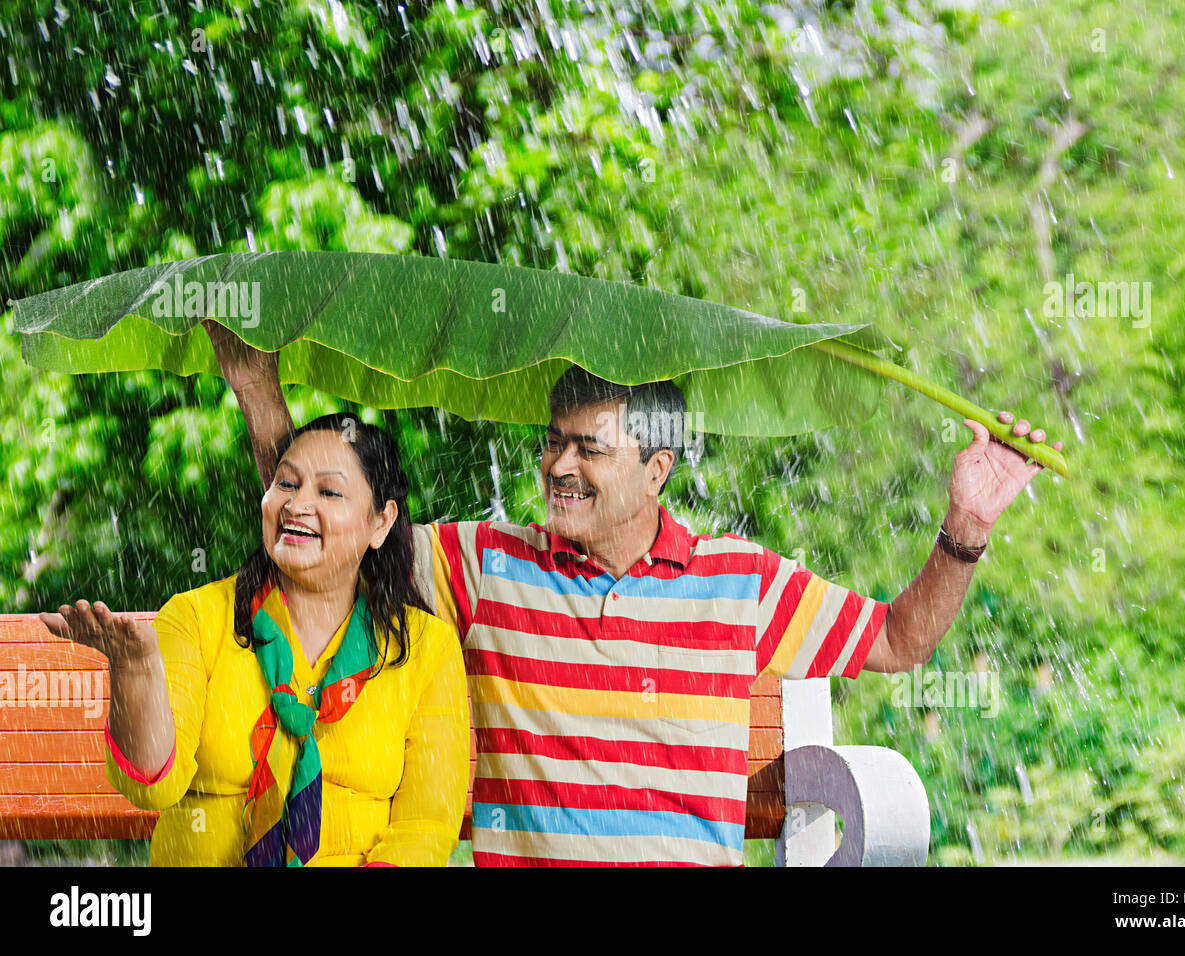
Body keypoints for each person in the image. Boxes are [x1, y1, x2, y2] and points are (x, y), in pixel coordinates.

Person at [207, 322, 1062, 867]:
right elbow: (330, 527)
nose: (559, 468)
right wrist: (260, 398)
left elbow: (900, 643)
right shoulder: (489, 565)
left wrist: (967, 525)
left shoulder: (743, 584)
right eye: (553, 446)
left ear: (658, 470)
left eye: (589, 451)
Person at [39, 414, 471, 866]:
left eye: (328, 491)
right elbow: (150, 785)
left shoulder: (426, 647)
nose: (296, 505)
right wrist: (134, 671)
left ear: (380, 522)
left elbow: (425, 826)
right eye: (286, 483)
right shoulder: (196, 617)